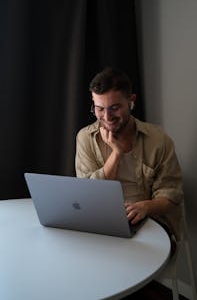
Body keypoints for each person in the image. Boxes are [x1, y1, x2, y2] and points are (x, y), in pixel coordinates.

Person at [75, 67, 184, 250]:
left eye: (115, 108)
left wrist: (145, 207)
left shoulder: (158, 140)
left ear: (131, 101)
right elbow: (90, 196)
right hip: (101, 221)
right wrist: (116, 154)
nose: (107, 117)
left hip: (150, 221)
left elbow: (171, 195)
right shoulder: (85, 138)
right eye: (99, 109)